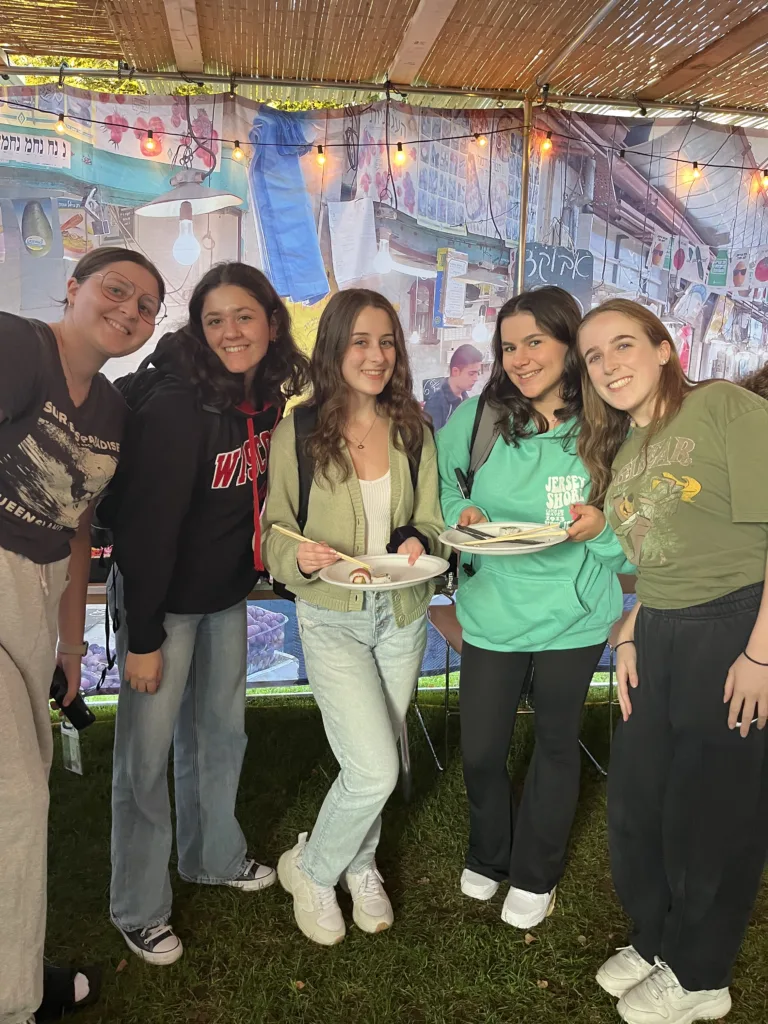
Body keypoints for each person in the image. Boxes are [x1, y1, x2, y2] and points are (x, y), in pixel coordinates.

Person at [104, 262, 309, 965]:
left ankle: (212, 856)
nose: (230, 331)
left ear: (271, 322)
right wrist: (146, 637)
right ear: (198, 327)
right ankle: (139, 906)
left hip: (223, 598)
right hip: (163, 605)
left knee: (222, 737)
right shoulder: (175, 405)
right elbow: (146, 531)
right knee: (144, 761)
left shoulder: (263, 397)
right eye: (214, 319)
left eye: (243, 316)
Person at [577, 299, 768, 1024]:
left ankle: (699, 975)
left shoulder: (724, 407)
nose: (608, 365)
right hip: (658, 632)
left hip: (737, 629)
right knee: (637, 804)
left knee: (713, 813)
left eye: (623, 345)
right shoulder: (626, 452)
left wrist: (761, 654)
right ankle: (658, 939)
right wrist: (631, 630)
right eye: (594, 357)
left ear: (664, 348)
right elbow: (661, 562)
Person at [0, 247, 164, 1024]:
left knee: (19, 787)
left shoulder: (110, 411)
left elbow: (76, 524)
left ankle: (16, 967)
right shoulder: (18, 346)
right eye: (116, 290)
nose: (130, 311)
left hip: (40, 597)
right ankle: (13, 1002)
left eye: (147, 306)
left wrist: (72, 646)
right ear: (71, 288)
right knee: (19, 800)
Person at [436, 286, 632, 930]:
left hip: (574, 615)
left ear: (568, 342)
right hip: (494, 609)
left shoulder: (609, 424)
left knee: (554, 741)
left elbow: (631, 535)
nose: (519, 358)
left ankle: (535, 870)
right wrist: (459, 514)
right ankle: (489, 854)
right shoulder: (483, 416)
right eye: (508, 346)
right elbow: (442, 482)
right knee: (482, 751)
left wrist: (599, 528)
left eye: (535, 342)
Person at [262, 288, 445, 946]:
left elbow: (432, 522)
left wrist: (423, 542)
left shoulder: (415, 430)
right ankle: (312, 872)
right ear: (335, 347)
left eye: (387, 341)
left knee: (379, 756)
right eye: (362, 341)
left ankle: (357, 864)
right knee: (374, 767)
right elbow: (272, 534)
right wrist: (300, 553)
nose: (376, 355)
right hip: (332, 616)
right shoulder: (300, 428)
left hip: (400, 614)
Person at [424, 342, 483, 430]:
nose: (476, 378)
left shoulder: (465, 399)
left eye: (477, 373)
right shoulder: (435, 404)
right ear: (455, 371)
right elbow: (432, 440)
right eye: (471, 374)